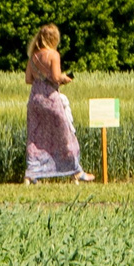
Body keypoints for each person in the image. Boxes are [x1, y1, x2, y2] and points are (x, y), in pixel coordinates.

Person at [24, 23, 90, 183]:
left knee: (35, 137)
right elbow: (56, 77)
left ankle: (31, 174)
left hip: (35, 100)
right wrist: (66, 79)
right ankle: (76, 172)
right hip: (51, 100)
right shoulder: (53, 55)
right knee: (65, 135)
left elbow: (28, 80)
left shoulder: (33, 56)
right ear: (53, 39)